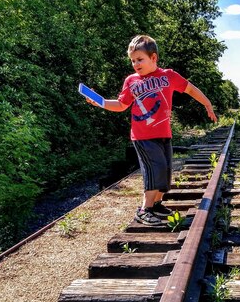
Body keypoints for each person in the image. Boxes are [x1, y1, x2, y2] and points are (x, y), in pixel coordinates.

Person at [85, 35, 217, 226]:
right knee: (154, 169)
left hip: (164, 134)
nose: (135, 64)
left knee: (166, 173)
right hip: (143, 136)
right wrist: (101, 102)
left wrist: (207, 104)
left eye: (140, 59)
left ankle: (156, 204)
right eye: (132, 60)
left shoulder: (168, 76)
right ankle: (144, 209)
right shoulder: (131, 81)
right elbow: (122, 105)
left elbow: (190, 89)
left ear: (153, 58)